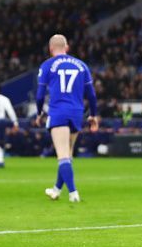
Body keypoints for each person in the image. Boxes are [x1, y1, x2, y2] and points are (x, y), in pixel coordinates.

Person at [36, 34, 98, 202]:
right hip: (77, 113)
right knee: (68, 154)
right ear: (67, 47)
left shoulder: (47, 65)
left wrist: (39, 112)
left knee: (62, 154)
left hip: (58, 111)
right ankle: (56, 189)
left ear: (50, 49)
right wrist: (93, 115)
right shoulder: (81, 65)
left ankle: (73, 193)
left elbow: (40, 95)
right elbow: (91, 95)